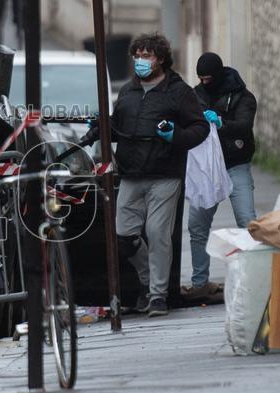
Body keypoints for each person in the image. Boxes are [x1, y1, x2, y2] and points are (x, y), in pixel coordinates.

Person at [86, 33, 209, 317]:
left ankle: (157, 295)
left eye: (147, 56)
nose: (141, 61)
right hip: (130, 174)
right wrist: (101, 127)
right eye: (137, 56)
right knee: (123, 235)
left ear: (161, 59)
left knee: (157, 233)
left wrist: (174, 136)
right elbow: (119, 126)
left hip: (165, 174)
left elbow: (199, 128)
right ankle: (146, 280)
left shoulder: (179, 92)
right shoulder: (128, 92)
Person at [187, 52, 258, 296]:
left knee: (248, 222)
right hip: (207, 169)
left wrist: (220, 122)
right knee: (197, 225)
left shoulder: (242, 96)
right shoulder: (196, 95)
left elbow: (244, 126)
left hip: (235, 164)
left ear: (217, 76)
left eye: (208, 78)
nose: (204, 82)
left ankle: (254, 278)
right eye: (200, 78)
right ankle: (199, 283)